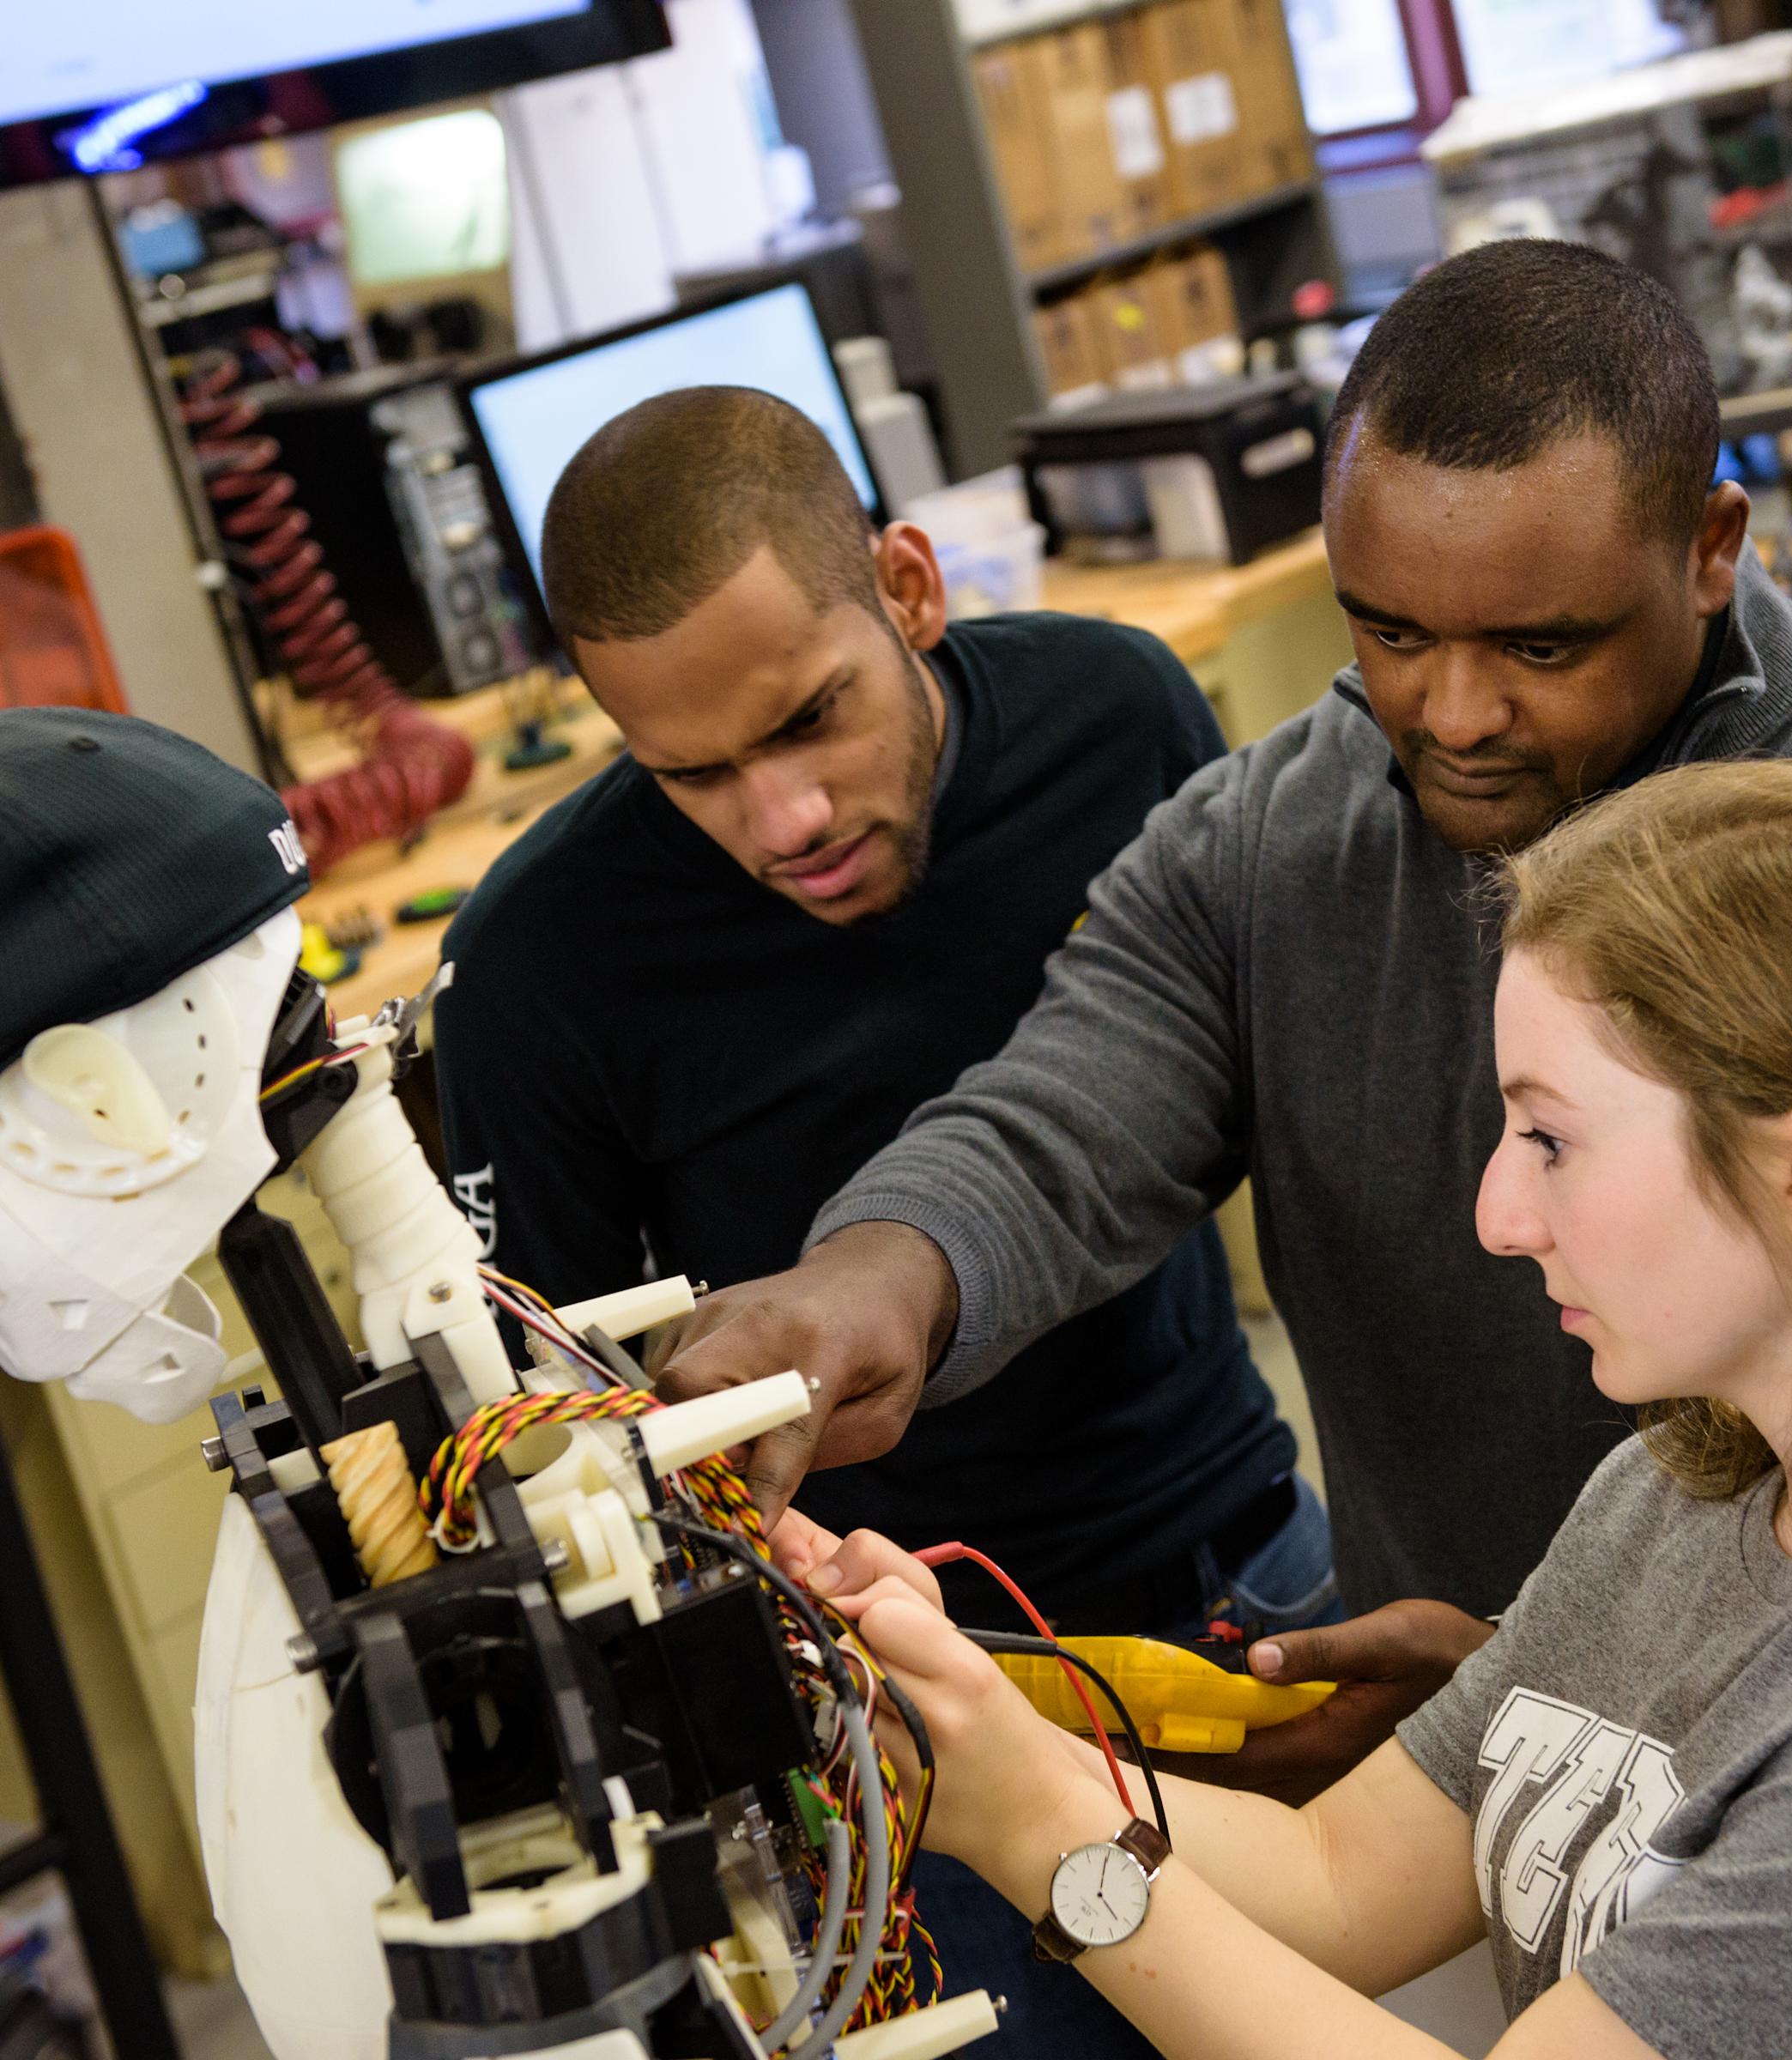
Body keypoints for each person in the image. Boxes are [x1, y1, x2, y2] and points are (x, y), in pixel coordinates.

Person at [655, 239, 1792, 1799]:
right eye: (1390, 631)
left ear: (1712, 544)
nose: (1453, 713)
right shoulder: (1275, 843)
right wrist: (872, 1284)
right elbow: (1068, 1113)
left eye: (1541, 647)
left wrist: (1599, 1689)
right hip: (1480, 1754)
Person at [772, 760, 1792, 2059]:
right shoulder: (1678, 1494)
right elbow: (1336, 1875)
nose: (1499, 1215)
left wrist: (1038, 1836)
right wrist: (963, 1727)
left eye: (1550, 1139)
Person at [433, 386, 1333, 2059]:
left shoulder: (1115, 722)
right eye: (690, 774)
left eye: (810, 721)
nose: (783, 821)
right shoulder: (541, 966)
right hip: (899, 1709)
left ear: (909, 589)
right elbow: (558, 1427)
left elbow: (1235, 1092)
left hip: (1240, 1581)